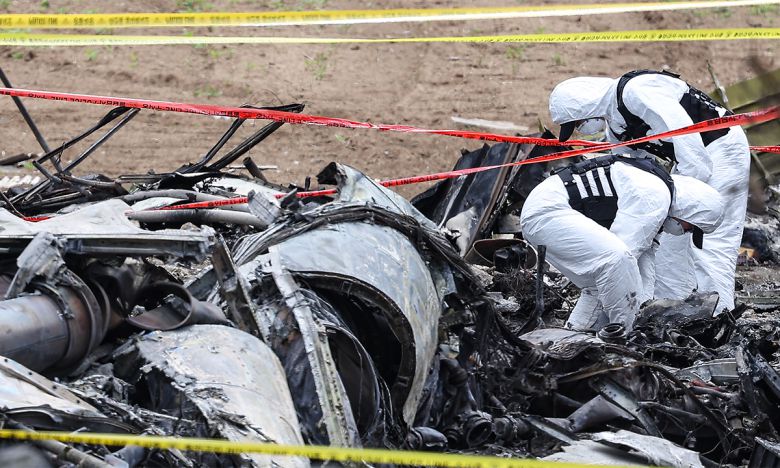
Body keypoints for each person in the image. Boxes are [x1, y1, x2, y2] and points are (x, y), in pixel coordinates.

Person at [548, 70, 750, 313]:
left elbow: (693, 151)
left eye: (579, 123)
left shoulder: (638, 92)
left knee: (709, 244)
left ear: (585, 105)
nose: (582, 129)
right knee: (669, 245)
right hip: (689, 163)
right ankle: (674, 313)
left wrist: (677, 202)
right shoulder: (617, 127)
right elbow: (632, 175)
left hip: (722, 150)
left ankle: (720, 316)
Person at [520, 154, 724, 332]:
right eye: (691, 227)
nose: (686, 232)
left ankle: (570, 339)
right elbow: (624, 256)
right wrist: (635, 324)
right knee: (616, 260)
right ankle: (622, 339)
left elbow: (644, 265)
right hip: (547, 212)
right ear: (690, 211)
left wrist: (645, 306)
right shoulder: (654, 195)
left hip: (545, 213)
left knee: (597, 286)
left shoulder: (657, 198)